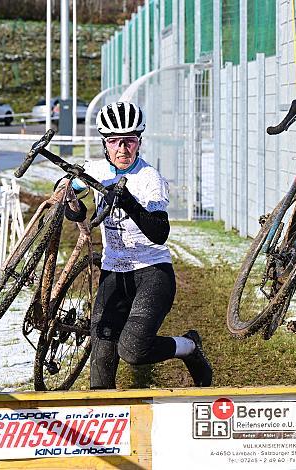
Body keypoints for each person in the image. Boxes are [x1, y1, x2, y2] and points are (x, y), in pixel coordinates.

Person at [77, 101, 213, 389]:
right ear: (105, 144)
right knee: (101, 352)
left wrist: (127, 199)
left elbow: (159, 233)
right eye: (115, 142)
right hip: (114, 272)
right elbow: (67, 188)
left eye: (130, 141)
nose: (123, 149)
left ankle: (188, 346)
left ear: (139, 142)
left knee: (132, 350)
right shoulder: (96, 170)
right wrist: (71, 203)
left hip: (152, 273)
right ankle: (104, 420)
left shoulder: (150, 179)